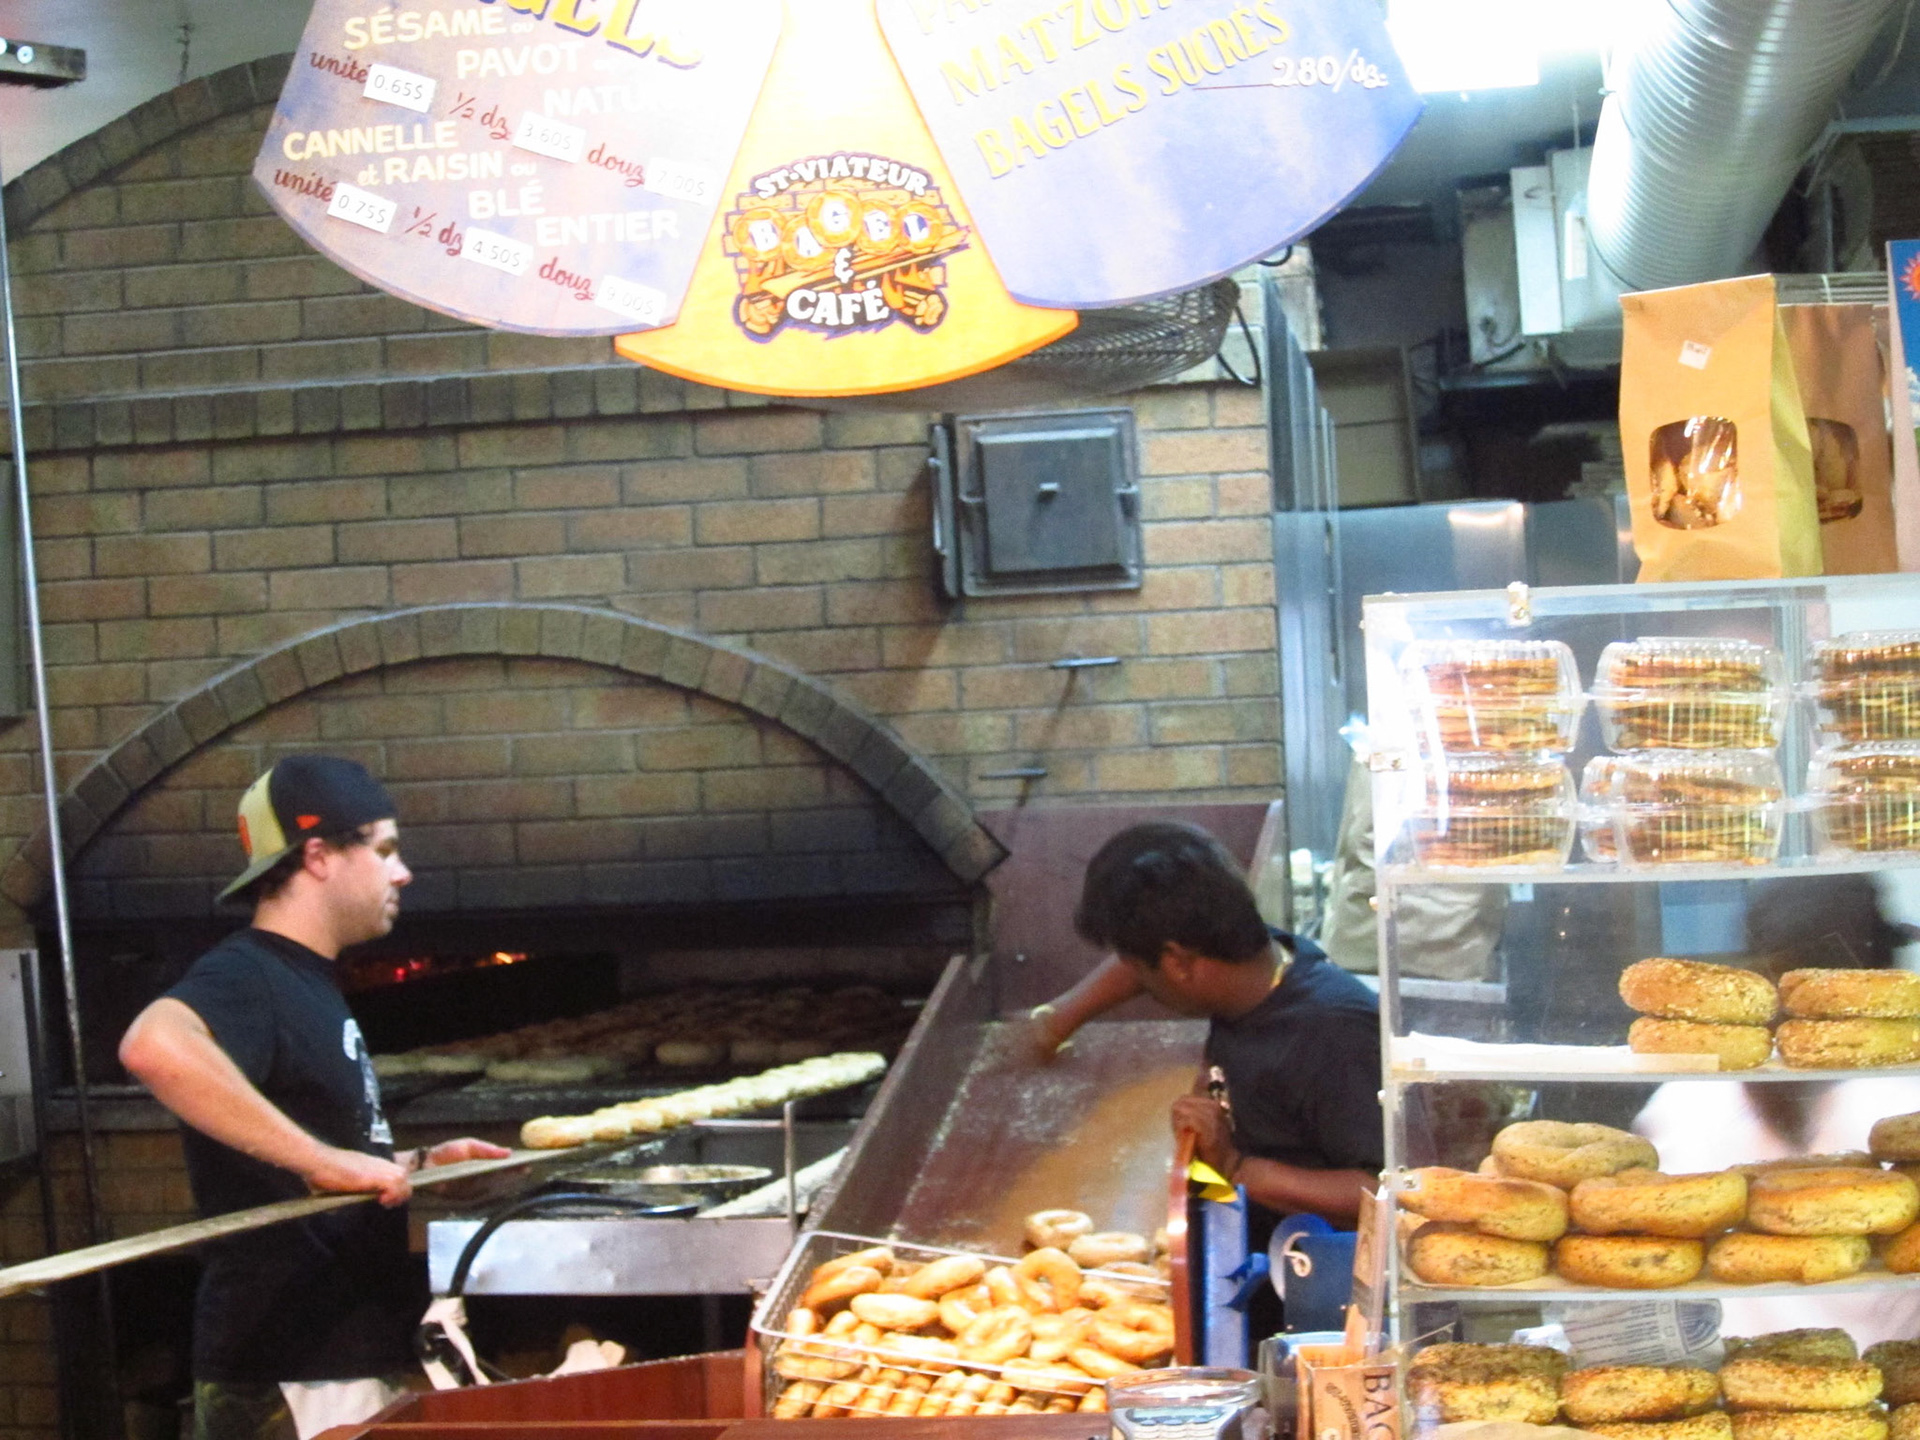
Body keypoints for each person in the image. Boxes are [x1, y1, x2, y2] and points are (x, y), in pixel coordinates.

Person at [119, 755, 509, 1440]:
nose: (402, 872)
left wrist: (415, 1166)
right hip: (291, 1367)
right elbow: (153, 1045)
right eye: (385, 849)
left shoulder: (308, 984)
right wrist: (318, 1159)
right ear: (320, 855)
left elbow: (317, 1154)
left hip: (333, 1358)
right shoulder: (249, 973)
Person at [1028, 821, 1384, 1334]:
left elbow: (1381, 1192)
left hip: (1310, 1300)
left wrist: (1236, 1167)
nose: (1138, 982)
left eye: (1144, 971)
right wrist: (1059, 1019)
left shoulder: (1330, 1033)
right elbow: (1137, 964)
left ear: (1177, 962)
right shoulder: (1260, 963)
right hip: (1238, 1242)